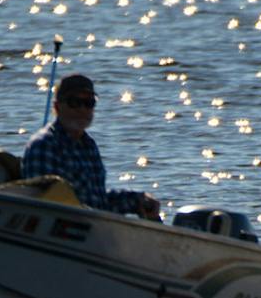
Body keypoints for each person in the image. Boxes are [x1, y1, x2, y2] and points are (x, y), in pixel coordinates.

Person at [14, 73, 161, 220]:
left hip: (93, 229)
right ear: (57, 107)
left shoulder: (89, 145)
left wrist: (137, 201)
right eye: (74, 102)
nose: (82, 109)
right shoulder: (43, 145)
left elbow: (99, 201)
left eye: (89, 103)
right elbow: (44, 207)